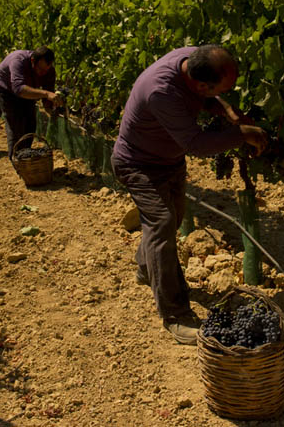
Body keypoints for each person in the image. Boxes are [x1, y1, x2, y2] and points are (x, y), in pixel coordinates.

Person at [111, 45, 269, 345]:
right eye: (223, 89)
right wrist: (241, 134)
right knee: (162, 222)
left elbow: (207, 98)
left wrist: (225, 108)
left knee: (174, 218)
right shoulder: (161, 91)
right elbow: (194, 143)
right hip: (137, 164)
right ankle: (175, 315)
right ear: (200, 85)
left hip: (167, 160)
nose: (227, 92)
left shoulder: (193, 57)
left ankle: (147, 269)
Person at [0, 46, 63, 159]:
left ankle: (25, 156)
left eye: (46, 70)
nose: (42, 73)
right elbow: (18, 89)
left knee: (30, 124)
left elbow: (48, 92)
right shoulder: (18, 61)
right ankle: (16, 160)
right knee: (16, 125)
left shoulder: (49, 71)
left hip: (27, 90)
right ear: (32, 61)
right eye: (40, 69)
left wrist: (51, 108)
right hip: (6, 90)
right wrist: (46, 94)